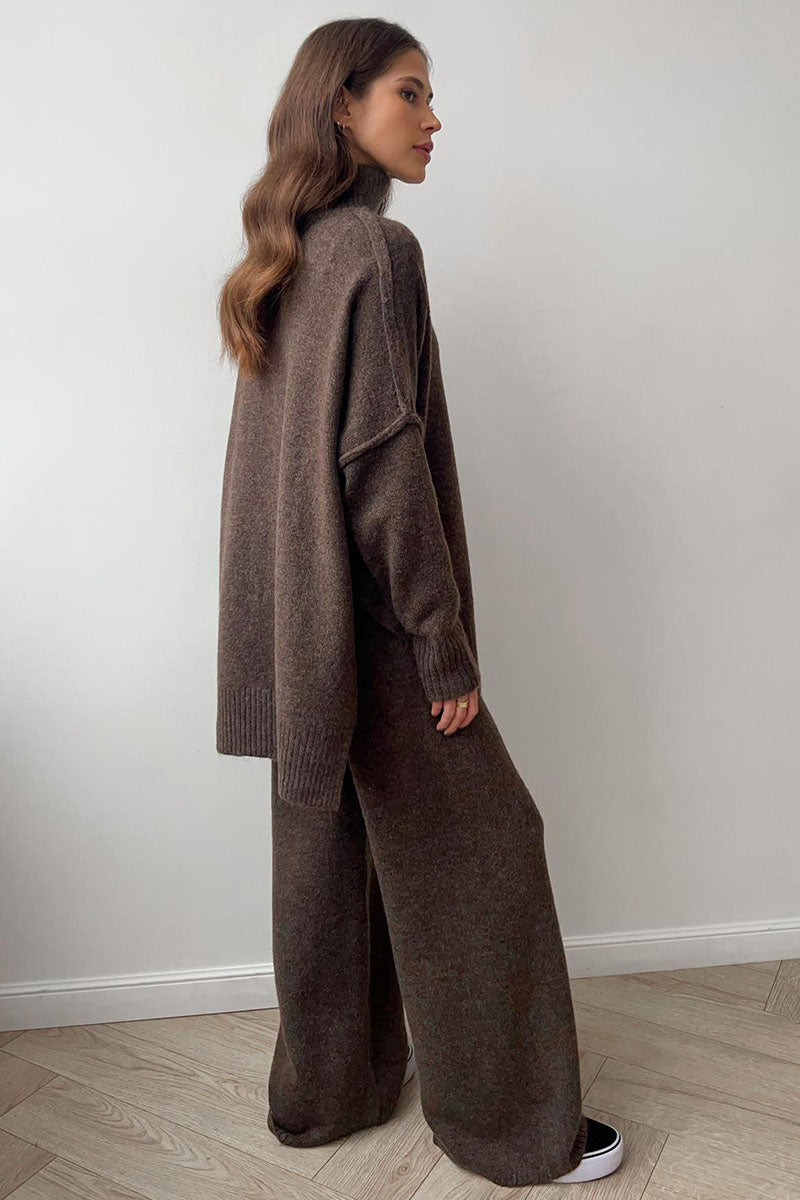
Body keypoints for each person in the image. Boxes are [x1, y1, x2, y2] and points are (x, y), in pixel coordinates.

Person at [215, 16, 623, 1188]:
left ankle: (326, 1097)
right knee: (485, 851)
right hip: (375, 625)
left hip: (296, 630)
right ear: (341, 106)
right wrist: (440, 647)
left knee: (329, 855)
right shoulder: (374, 253)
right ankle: (515, 1128)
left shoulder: (287, 255)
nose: (433, 119)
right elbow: (381, 469)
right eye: (411, 92)